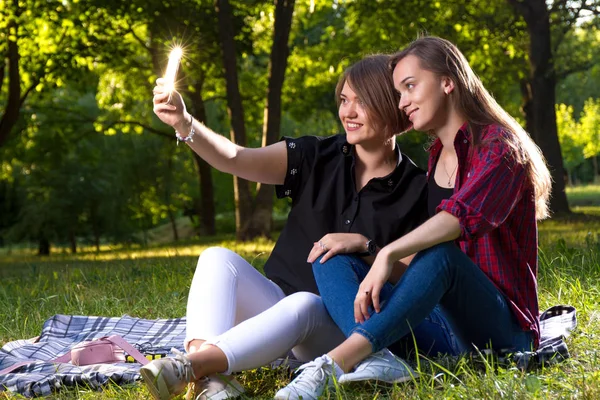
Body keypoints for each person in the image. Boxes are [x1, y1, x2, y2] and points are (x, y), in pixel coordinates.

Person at [274, 36, 552, 400]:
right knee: (332, 252)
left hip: (500, 333)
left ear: (447, 82)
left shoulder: (500, 148)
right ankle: (381, 356)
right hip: (444, 326)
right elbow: (426, 275)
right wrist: (367, 247)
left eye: (409, 87)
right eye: (398, 93)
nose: (402, 103)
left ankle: (334, 364)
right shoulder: (437, 155)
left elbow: (457, 222)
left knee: (441, 255)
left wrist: (387, 254)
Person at [140, 54, 429, 400]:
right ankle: (210, 381)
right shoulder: (317, 155)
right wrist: (184, 122)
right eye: (344, 100)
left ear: (396, 108)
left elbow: (419, 280)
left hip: (339, 333)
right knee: (216, 257)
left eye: (362, 102)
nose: (348, 112)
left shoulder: (418, 190)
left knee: (306, 304)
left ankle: (191, 366)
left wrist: (366, 247)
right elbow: (234, 158)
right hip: (274, 309)